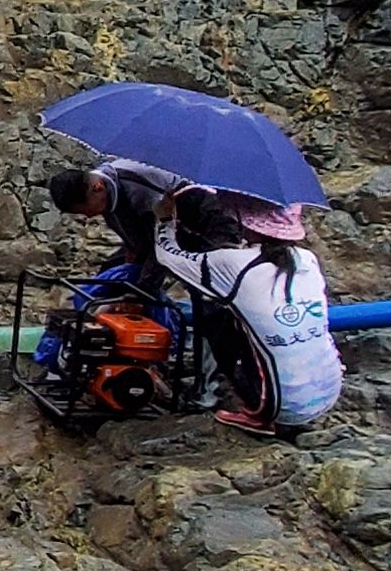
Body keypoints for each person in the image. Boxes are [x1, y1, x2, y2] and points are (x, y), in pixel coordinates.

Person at [155, 188, 341, 434]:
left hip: (277, 408)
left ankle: (255, 413)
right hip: (330, 392)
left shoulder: (233, 264)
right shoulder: (307, 259)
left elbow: (168, 257)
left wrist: (165, 220)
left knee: (216, 316)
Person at [43, 158, 171, 283]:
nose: (88, 216)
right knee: (109, 276)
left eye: (85, 210)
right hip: (143, 242)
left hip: (178, 232)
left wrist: (140, 293)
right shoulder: (102, 188)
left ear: (98, 188)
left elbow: (162, 249)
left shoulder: (142, 195)